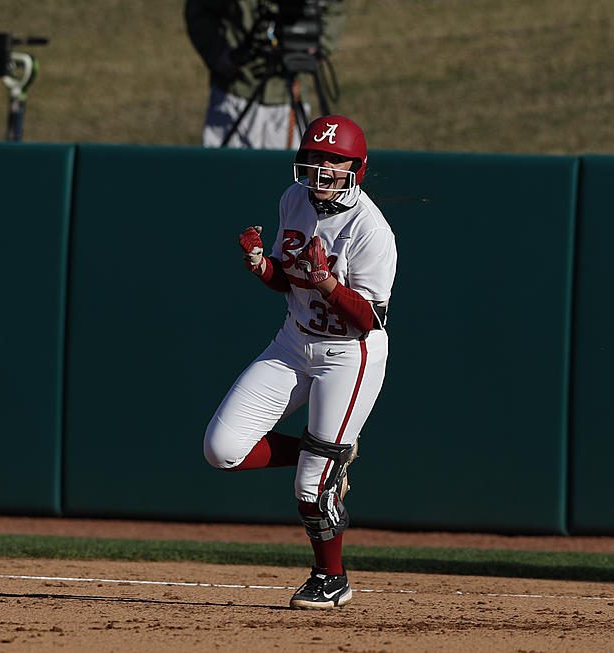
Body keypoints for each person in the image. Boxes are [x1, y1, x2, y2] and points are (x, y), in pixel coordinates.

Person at [203, 115, 397, 609]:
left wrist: (327, 282)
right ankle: (329, 455)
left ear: (357, 167)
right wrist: (259, 265)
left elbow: (369, 320)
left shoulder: (370, 227)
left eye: (335, 160)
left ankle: (331, 577)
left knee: (311, 488)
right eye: (315, 158)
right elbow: (286, 281)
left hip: (348, 356)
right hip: (293, 341)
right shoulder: (293, 200)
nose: (323, 168)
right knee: (222, 449)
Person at [184, 0, 346, 149]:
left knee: (287, 175)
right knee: (224, 172)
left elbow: (334, 9)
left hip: (289, 95)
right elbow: (199, 10)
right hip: (236, 89)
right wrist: (218, 54)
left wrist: (318, 45)